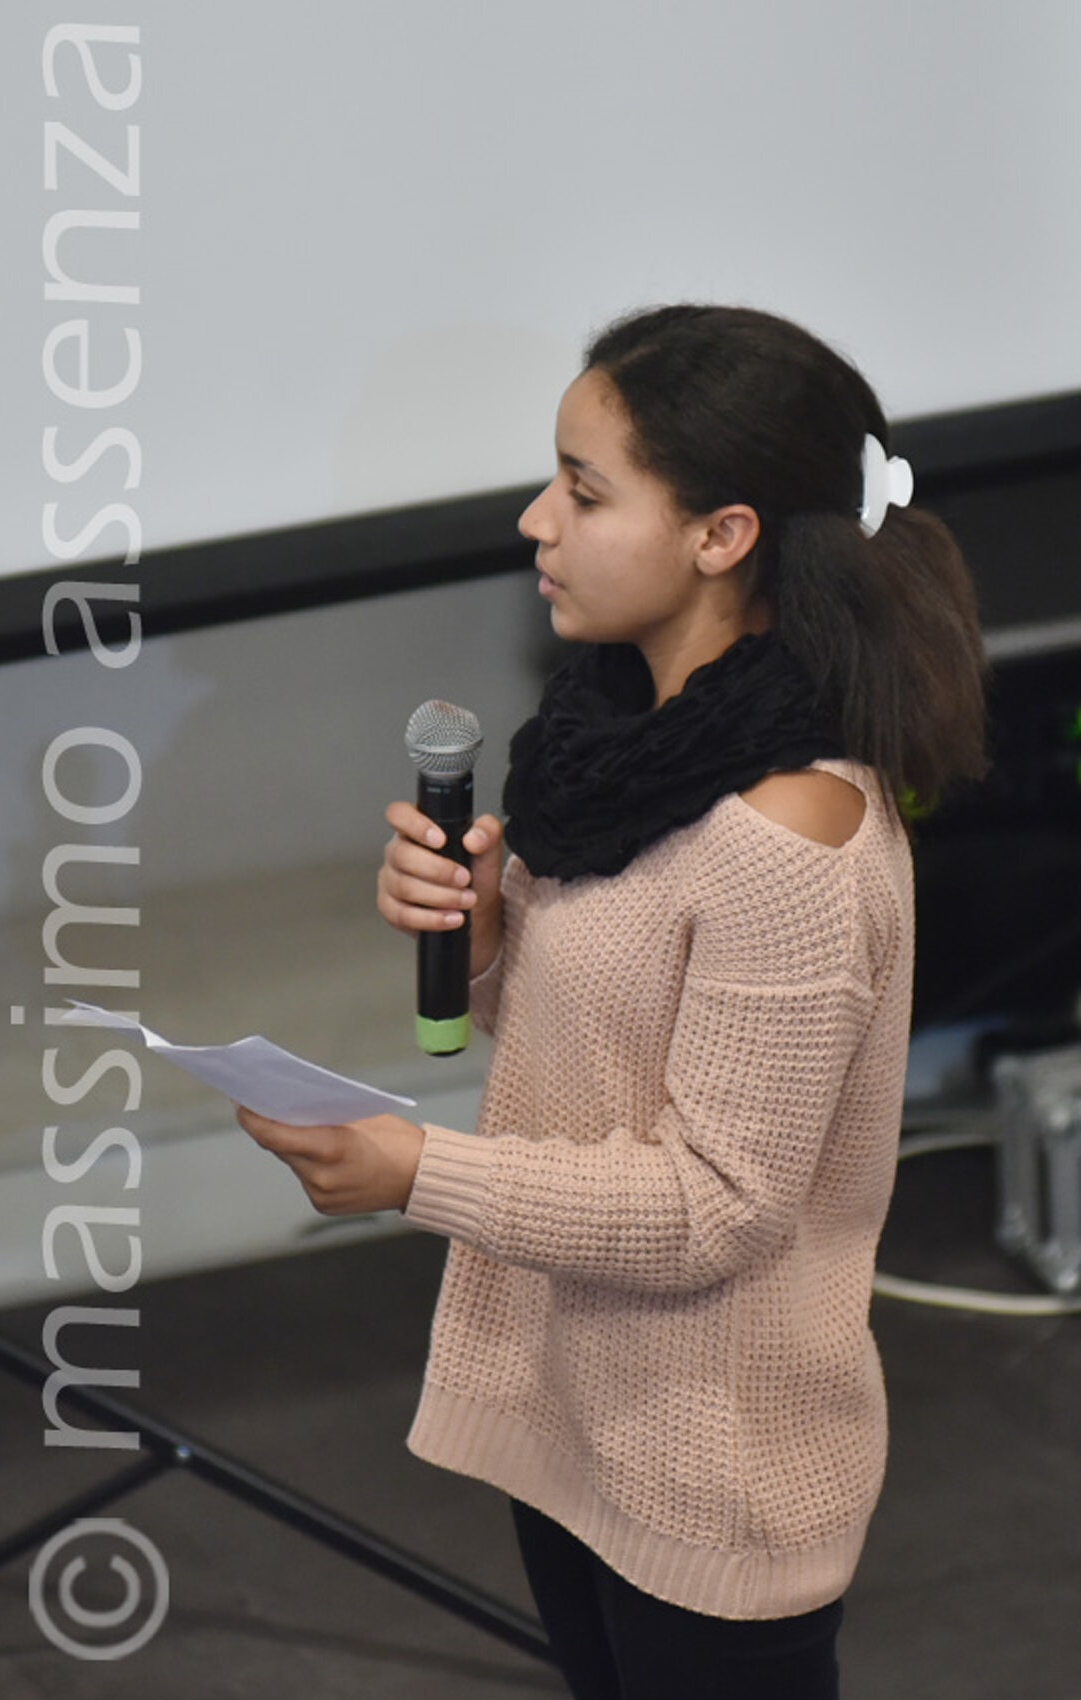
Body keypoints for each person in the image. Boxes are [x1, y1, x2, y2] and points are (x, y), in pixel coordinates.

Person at [236, 304, 988, 1698]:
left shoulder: (790, 841)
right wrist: (482, 940)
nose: (536, 521)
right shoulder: (622, 748)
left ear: (722, 535)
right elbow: (603, 1044)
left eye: (584, 494)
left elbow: (714, 1205)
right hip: (583, 1410)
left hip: (716, 1464)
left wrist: (417, 1172)